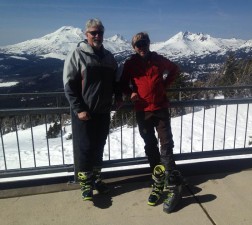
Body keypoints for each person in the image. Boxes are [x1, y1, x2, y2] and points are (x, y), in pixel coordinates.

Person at [120, 32, 183, 213]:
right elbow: (123, 83)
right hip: (142, 110)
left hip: (160, 108)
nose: (141, 47)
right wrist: (129, 92)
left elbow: (174, 69)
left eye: (144, 43)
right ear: (133, 47)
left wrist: (164, 85)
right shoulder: (130, 64)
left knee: (166, 144)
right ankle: (158, 179)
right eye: (138, 44)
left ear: (149, 44)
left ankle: (172, 185)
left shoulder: (158, 59)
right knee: (150, 145)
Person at [63, 18, 122, 201]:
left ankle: (96, 179)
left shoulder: (108, 57)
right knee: (85, 148)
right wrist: (79, 108)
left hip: (103, 111)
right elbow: (69, 85)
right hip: (84, 113)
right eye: (93, 33)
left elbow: (116, 80)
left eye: (100, 32)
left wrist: (118, 97)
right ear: (86, 34)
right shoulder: (78, 54)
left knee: (98, 147)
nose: (97, 36)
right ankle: (85, 183)